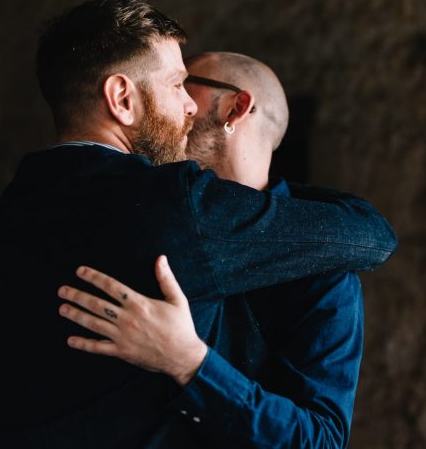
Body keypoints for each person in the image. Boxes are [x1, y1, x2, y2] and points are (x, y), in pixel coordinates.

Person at [0, 0, 396, 448]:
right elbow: (373, 236)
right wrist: (190, 364)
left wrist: (190, 362)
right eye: (178, 84)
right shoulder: (174, 206)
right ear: (123, 98)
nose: (186, 106)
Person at [60, 52, 366, 447]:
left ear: (236, 108)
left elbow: (320, 440)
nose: (177, 104)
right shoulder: (148, 213)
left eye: (184, 87)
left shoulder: (325, 269)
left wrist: (190, 364)